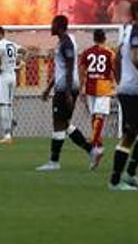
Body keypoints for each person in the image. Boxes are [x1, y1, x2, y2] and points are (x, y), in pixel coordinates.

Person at [109, 1, 138, 191]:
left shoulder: (129, 31)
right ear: (137, 13)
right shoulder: (136, 32)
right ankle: (115, 181)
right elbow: (136, 59)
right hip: (132, 92)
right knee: (130, 135)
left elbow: (117, 57)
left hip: (132, 90)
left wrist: (120, 79)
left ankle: (130, 174)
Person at [37, 15, 95, 171]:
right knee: (65, 124)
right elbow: (61, 69)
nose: (51, 27)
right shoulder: (63, 42)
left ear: (59, 26)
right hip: (64, 87)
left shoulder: (67, 43)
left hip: (65, 89)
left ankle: (54, 162)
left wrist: (68, 93)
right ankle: (92, 151)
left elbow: (69, 69)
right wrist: (49, 88)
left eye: (53, 24)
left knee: (58, 124)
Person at [80, 29, 117, 167]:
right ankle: (94, 142)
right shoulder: (110, 53)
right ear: (105, 38)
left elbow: (82, 70)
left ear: (94, 38)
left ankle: (97, 146)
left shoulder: (87, 52)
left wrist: (81, 87)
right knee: (99, 116)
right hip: (104, 86)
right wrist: (116, 85)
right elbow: (115, 69)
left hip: (90, 87)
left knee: (95, 116)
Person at [0, 26, 25, 144]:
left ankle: (7, 134)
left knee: (3, 104)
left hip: (4, 76)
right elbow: (24, 51)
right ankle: (10, 121)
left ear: (1, 34)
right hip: (13, 75)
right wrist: (21, 62)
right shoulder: (12, 44)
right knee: (9, 104)